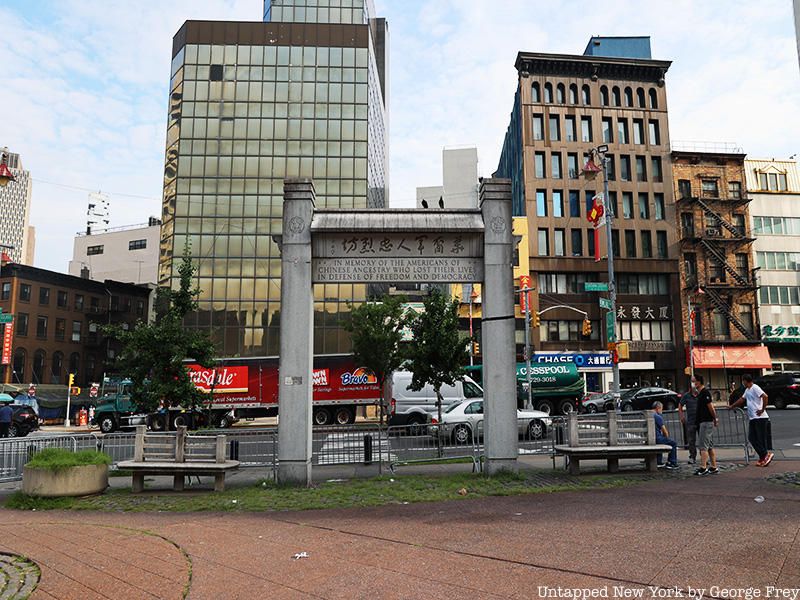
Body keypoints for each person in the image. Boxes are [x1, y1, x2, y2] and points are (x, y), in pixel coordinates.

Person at [730, 374, 773, 467]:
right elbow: (742, 399)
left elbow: (765, 396)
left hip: (760, 418)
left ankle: (765, 455)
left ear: (746, 381)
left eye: (743, 381)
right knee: (752, 438)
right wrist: (732, 406)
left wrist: (762, 409)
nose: (742, 383)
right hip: (753, 418)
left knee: (760, 439)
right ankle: (763, 456)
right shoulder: (747, 390)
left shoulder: (755, 388)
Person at [693, 375, 719, 475]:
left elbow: (710, 407)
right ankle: (713, 466)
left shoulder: (705, 393)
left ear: (699, 382)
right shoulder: (701, 393)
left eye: (694, 381)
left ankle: (703, 467)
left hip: (706, 422)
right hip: (704, 421)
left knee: (703, 446)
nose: (693, 383)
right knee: (709, 446)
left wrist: (715, 418)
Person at [653, 401, 678, 469]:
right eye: (661, 409)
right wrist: (666, 438)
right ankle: (672, 462)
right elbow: (664, 431)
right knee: (673, 443)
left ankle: (658, 461)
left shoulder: (648, 415)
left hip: (651, 439)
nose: (662, 411)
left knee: (660, 440)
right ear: (658, 408)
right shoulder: (657, 417)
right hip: (657, 438)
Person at [678, 384, 698, 464]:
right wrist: (681, 416)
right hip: (691, 421)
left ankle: (704, 457)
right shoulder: (686, 396)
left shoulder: (700, 394)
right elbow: (680, 405)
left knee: (703, 440)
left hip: (700, 420)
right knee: (691, 440)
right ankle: (692, 457)